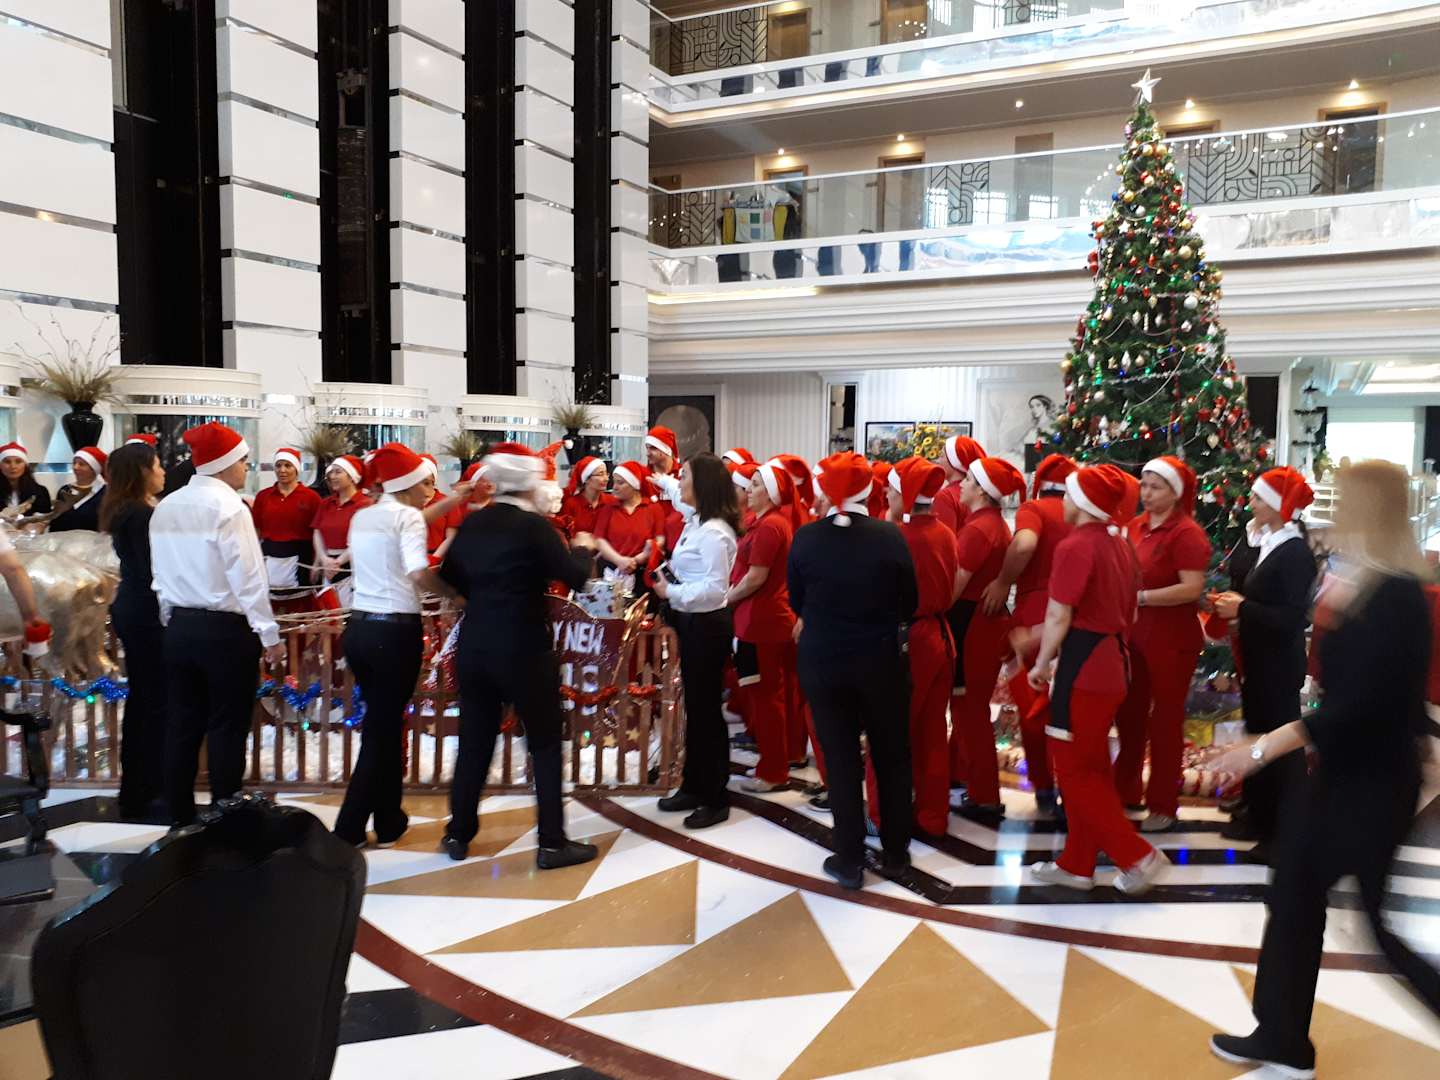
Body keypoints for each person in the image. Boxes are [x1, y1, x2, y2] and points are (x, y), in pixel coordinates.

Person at [1208, 460, 1439, 1078]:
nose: (1334, 510)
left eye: (1347, 499)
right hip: (1350, 775)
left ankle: (1283, 1039)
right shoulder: (1373, 582)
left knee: (1350, 917)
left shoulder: (1395, 595)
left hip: (1369, 784)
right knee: (1300, 896)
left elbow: (1362, 702)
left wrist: (1264, 746)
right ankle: (1282, 1038)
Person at [437, 442, 596, 868]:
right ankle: (552, 843)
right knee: (543, 743)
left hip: (476, 644)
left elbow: (450, 576)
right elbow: (576, 576)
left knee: (474, 742)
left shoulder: (474, 523)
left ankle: (458, 833)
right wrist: (582, 546)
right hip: (525, 646)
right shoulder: (534, 527)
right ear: (530, 483)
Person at [1028, 464, 1166, 896]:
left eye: (1069, 495)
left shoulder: (1075, 546)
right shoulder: (1120, 544)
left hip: (1083, 667)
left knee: (1074, 771)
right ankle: (1077, 863)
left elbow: (1059, 614)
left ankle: (1136, 855)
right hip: (1113, 663)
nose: (1064, 503)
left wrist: (1041, 663)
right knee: (1092, 768)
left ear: (1084, 502)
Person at [788, 451, 917, 888]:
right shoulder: (890, 536)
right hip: (880, 660)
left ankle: (849, 859)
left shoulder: (807, 538)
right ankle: (896, 853)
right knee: (891, 756)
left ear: (826, 490)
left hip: (824, 660)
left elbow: (797, 598)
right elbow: (909, 601)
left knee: (841, 760)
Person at [149, 422, 284, 826]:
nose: (246, 468)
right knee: (228, 724)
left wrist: (170, 618)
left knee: (182, 723)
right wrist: (269, 634)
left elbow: (159, 574)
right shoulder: (230, 508)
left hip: (179, 627)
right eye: (243, 461)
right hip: (225, 632)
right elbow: (248, 578)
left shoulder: (167, 505)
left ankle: (179, 816)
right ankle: (226, 815)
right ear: (225, 464)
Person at [334, 444, 455, 848]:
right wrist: (455, 596)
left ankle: (388, 820)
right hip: (394, 634)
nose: (429, 491)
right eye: (425, 483)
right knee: (382, 731)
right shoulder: (407, 518)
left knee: (382, 725)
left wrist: (455, 500)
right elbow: (419, 572)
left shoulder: (365, 515)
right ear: (407, 484)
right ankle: (349, 827)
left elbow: (409, 522)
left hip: (359, 630)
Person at [1208, 467, 1318, 849]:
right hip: (1259, 659)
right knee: (1258, 736)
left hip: (1278, 664)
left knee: (1278, 747)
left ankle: (1282, 832)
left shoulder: (1295, 552)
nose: (1250, 504)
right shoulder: (1270, 542)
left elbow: (1293, 618)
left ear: (1276, 505)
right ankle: (1258, 815)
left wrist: (1242, 608)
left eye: (1258, 498)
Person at [1113, 455, 1211, 833]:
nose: (1146, 492)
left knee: (1165, 723)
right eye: (1144, 484)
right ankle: (1125, 791)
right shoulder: (1135, 526)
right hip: (1135, 636)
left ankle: (1163, 804)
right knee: (1129, 716)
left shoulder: (1186, 533)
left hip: (1171, 641)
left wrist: (1141, 598)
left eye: (1156, 487)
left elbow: (1191, 588)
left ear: (1175, 492)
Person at [863, 456, 958, 838]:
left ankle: (882, 815)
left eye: (891, 488)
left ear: (905, 494)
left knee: (886, 732)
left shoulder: (895, 537)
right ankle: (933, 816)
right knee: (933, 735)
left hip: (905, 642)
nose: (885, 493)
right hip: (939, 638)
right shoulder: (945, 533)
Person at [981, 453, 1075, 818]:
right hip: (1078, 619)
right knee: (1068, 713)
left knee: (1033, 711)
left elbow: (1024, 544)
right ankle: (1071, 788)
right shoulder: (1086, 515)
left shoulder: (1035, 510)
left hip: (1035, 616)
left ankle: (1045, 786)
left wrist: (1003, 581)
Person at [652, 453, 740, 828]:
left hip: (707, 626)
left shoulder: (715, 533)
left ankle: (715, 796)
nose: (680, 481)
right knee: (696, 711)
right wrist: (659, 478)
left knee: (706, 713)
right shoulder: (696, 520)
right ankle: (693, 784)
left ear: (702, 485)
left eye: (685, 476)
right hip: (691, 623)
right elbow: (675, 495)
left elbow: (715, 590)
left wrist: (670, 592)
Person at [950, 454, 1025, 823]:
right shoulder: (993, 525)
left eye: (967, 480)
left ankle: (984, 795)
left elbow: (956, 584)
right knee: (971, 710)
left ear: (981, 490)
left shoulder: (979, 529)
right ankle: (972, 782)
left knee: (970, 711)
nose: (960, 485)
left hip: (971, 625)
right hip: (982, 622)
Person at [99, 442, 168, 818]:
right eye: (157, 465)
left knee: (146, 697)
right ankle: (145, 785)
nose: (162, 471)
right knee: (151, 698)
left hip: (134, 606)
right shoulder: (140, 514)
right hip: (144, 610)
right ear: (142, 471)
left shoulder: (128, 508)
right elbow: (151, 569)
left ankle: (141, 784)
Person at [725, 458, 798, 794]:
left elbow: (756, 577)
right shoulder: (764, 523)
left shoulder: (771, 527)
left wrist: (726, 598)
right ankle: (774, 763)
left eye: (755, 485)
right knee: (767, 698)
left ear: (769, 493)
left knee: (767, 699)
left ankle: (773, 771)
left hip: (762, 623)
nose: (748, 491)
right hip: (760, 619)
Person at [251, 447, 322, 589]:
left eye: (288, 466)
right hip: (269, 555)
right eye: (278, 466)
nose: (282, 470)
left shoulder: (311, 497)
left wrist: (317, 562)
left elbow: (318, 532)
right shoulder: (263, 496)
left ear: (296, 469)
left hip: (302, 557)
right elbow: (256, 530)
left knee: (300, 598)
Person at [311, 455, 373, 602]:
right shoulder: (326, 503)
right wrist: (323, 559)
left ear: (352, 477)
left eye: (338, 472)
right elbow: (317, 531)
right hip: (328, 565)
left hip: (352, 567)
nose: (332, 476)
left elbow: (362, 540)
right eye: (331, 473)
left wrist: (338, 562)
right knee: (331, 611)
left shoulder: (365, 504)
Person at [592, 461, 661, 584]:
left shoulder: (653, 508)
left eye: (620, 483)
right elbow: (599, 540)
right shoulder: (609, 508)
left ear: (634, 486)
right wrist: (619, 560)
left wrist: (639, 558)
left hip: (642, 572)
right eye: (614, 482)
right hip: (611, 570)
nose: (614, 487)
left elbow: (660, 539)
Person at [932, 434, 983, 534]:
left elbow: (945, 538)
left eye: (942, 456)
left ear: (954, 462)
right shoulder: (977, 493)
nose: (938, 461)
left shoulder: (946, 496)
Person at [49, 446, 108, 532]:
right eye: (74, 463)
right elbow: (56, 522)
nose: (75, 467)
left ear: (94, 469)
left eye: (81, 464)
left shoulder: (105, 493)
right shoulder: (65, 490)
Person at [646, 425, 685, 553]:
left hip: (680, 544)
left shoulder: (685, 475)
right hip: (651, 546)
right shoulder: (643, 476)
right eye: (647, 448)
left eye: (653, 448)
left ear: (666, 449)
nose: (647, 453)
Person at [561, 455, 613, 540]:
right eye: (601, 474)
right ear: (587, 479)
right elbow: (564, 536)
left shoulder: (612, 502)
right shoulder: (571, 504)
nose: (606, 478)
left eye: (606, 474)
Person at [0, 442, 52, 516]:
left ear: (25, 465)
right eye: (7, 462)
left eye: (18, 461)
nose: (13, 466)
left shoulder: (40, 491)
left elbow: (46, 517)